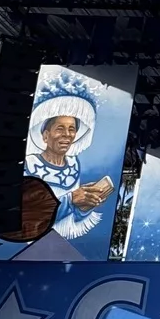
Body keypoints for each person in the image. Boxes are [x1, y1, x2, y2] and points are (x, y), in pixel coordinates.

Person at [25, 77, 113, 241]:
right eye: (60, 128)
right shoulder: (28, 165)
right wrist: (71, 199)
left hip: (61, 246)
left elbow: (72, 221)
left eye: (72, 129)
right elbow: (29, 216)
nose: (67, 135)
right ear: (45, 135)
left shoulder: (74, 165)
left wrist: (85, 204)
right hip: (29, 245)